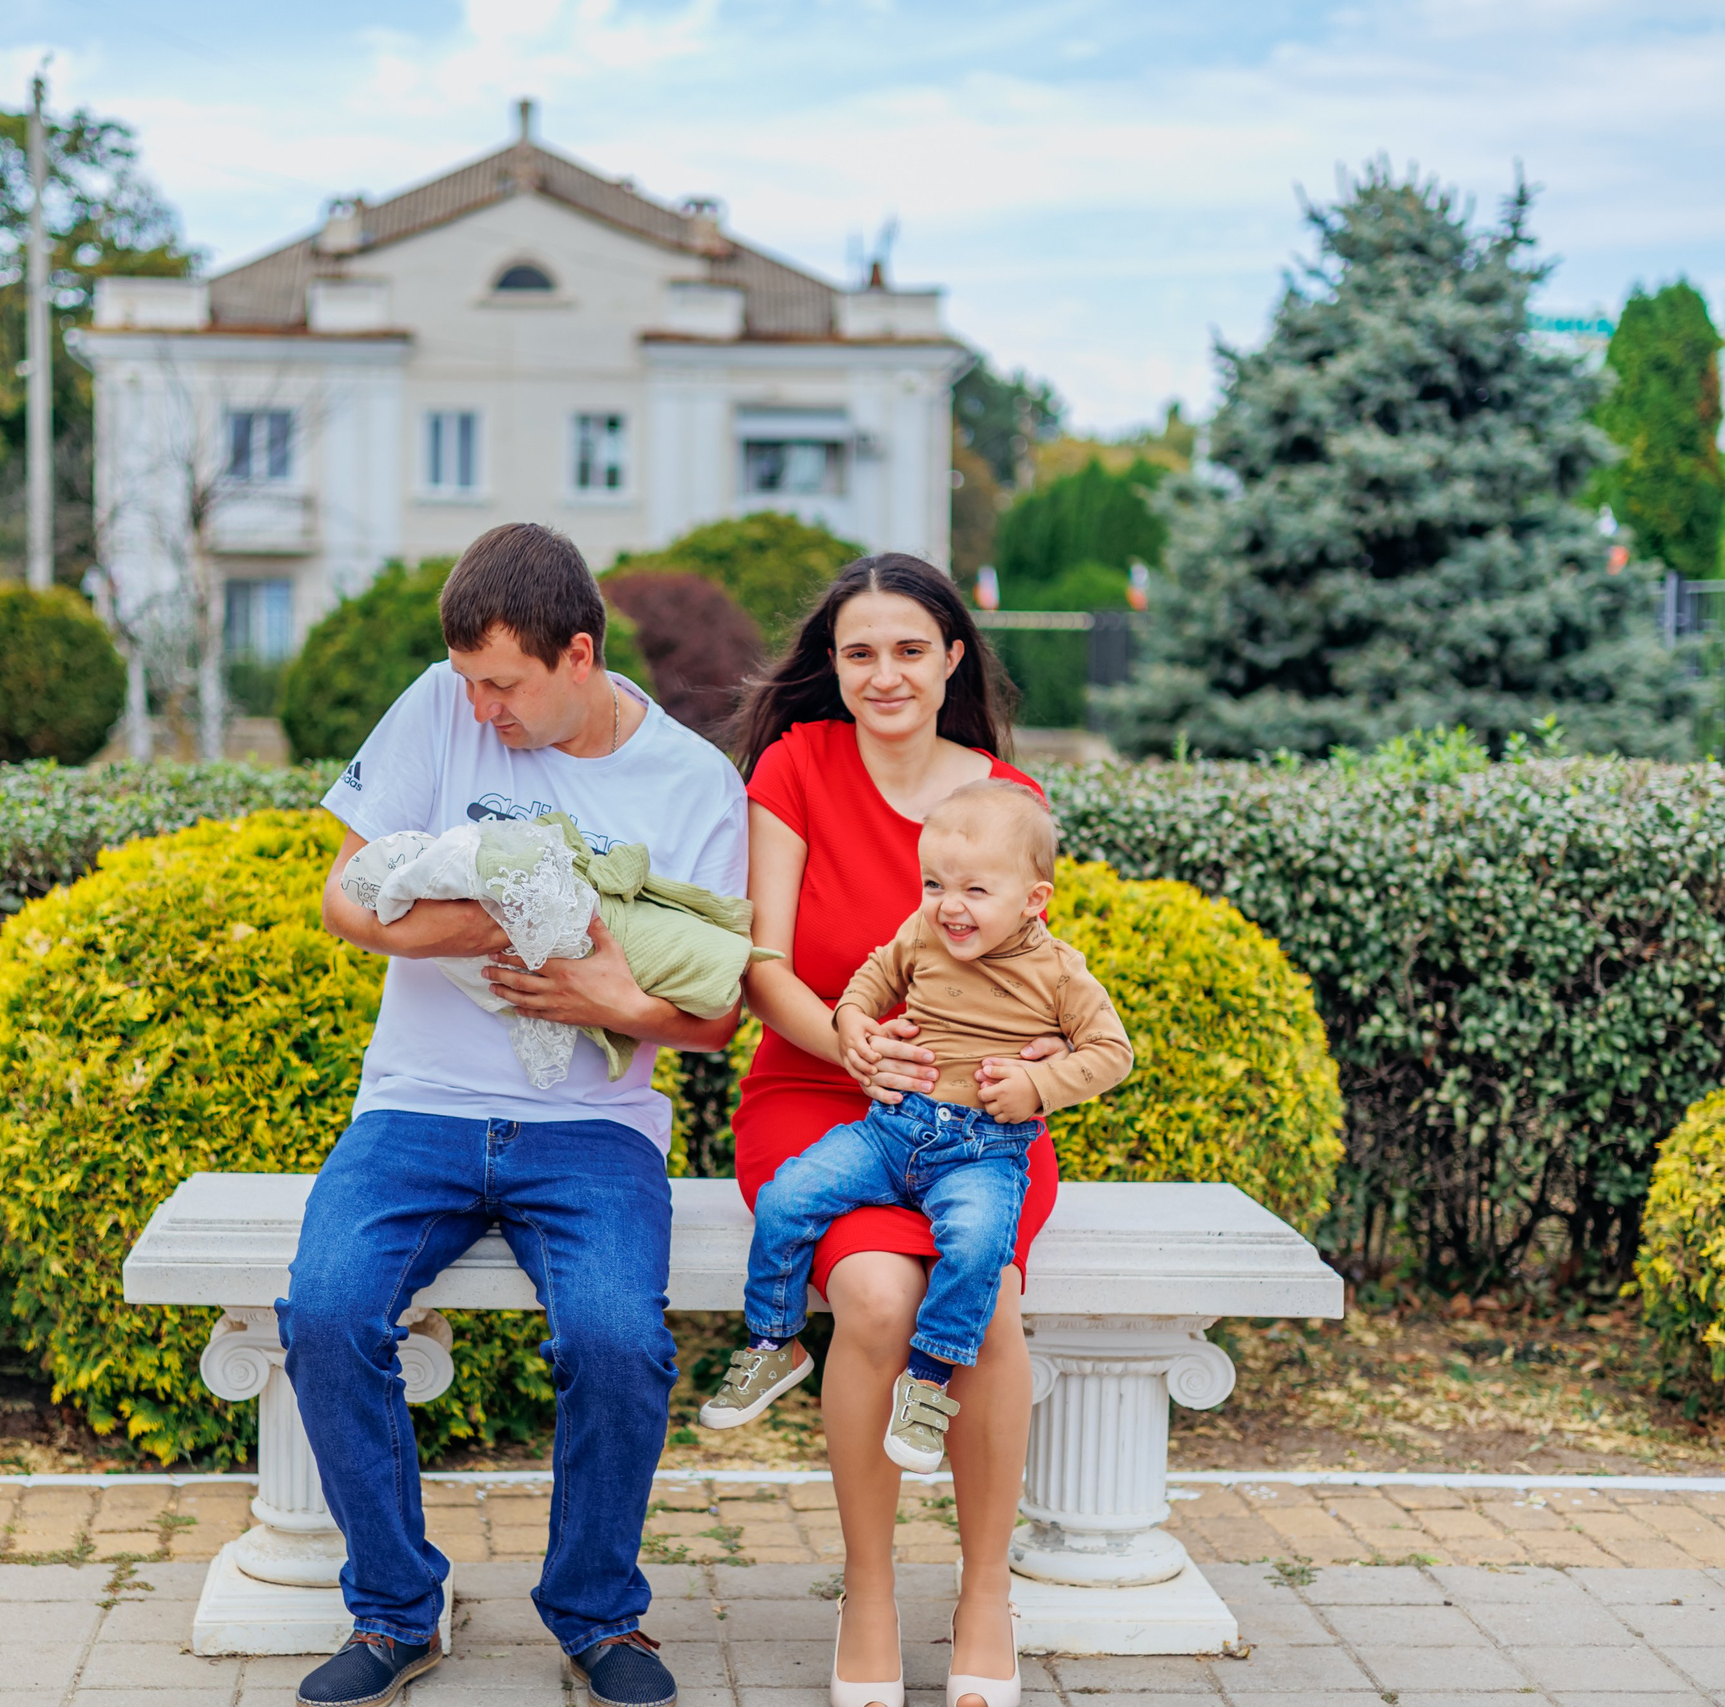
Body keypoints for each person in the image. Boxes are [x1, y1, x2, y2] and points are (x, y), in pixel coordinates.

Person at [283, 522, 747, 1707]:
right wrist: (515, 916)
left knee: (616, 1344)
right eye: (468, 680)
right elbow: (345, 896)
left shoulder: (692, 782)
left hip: (592, 1130)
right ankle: (396, 1609)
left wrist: (603, 988)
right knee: (326, 1314)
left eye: (503, 685)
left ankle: (596, 1616)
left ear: (577, 655)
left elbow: (710, 1019)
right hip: (417, 1106)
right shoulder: (439, 702)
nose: (479, 707)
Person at [728, 554, 1065, 1707]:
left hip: (977, 1115)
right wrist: (851, 1046)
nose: (884, 674)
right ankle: (868, 1594)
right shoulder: (796, 765)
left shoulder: (1005, 795)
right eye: (859, 652)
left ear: (953, 657)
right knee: (871, 1297)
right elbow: (759, 965)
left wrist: (1030, 1075)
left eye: (909, 649)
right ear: (833, 664)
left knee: (993, 1297)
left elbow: (1052, 978)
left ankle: (983, 1595)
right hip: (818, 1093)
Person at [700, 780, 1131, 1485]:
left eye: (975, 890)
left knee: (978, 1248)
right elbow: (873, 974)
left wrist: (1037, 1087)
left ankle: (928, 1384)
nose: (949, 904)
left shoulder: (1060, 971)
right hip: (893, 1129)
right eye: (934, 883)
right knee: (787, 1196)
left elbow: (1112, 1052)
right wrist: (854, 1022)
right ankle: (774, 1339)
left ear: (1034, 899)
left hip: (984, 1148)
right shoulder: (922, 932)